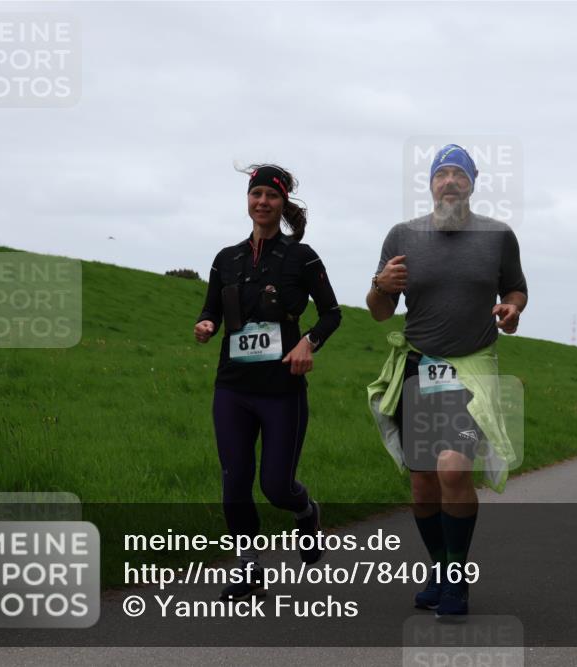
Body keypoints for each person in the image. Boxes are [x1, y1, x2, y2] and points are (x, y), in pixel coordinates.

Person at [366, 144, 527, 620]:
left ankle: (456, 581)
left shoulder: (498, 236)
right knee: (422, 485)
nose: (450, 181)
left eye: (460, 174)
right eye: (442, 174)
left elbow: (515, 286)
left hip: (470, 371)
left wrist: (513, 307)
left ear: (473, 184)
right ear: (430, 184)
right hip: (418, 370)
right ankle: (442, 567)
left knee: (453, 470)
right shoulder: (402, 236)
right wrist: (381, 284)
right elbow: (379, 312)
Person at [194, 164, 342, 600]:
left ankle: (306, 510)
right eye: (256, 194)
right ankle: (248, 568)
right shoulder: (226, 258)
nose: (262, 202)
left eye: (271, 196)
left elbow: (333, 313)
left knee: (276, 486)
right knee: (234, 480)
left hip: (281, 391)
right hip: (233, 386)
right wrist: (205, 325)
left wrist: (308, 342)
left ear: (282, 204)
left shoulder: (302, 257)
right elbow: (211, 312)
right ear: (248, 201)